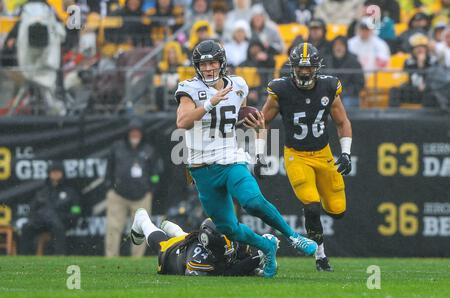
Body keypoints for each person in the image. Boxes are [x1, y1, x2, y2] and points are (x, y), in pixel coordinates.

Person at [174, 40, 318, 278]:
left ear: (222, 63)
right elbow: (183, 122)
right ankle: (266, 246)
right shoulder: (189, 88)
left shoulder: (239, 85)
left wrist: (259, 140)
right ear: (197, 66)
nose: (208, 68)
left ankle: (294, 237)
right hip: (201, 168)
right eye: (204, 64)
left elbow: (250, 121)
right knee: (228, 228)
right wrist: (211, 102)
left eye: (213, 62)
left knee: (251, 201)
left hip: (231, 158)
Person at [256, 42, 353, 272]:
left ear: (317, 67)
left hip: (323, 153)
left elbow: (342, 122)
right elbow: (263, 121)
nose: (305, 72)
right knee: (311, 207)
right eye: (300, 67)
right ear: (293, 67)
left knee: (338, 211)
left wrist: (346, 152)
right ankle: (320, 256)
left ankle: (317, 237)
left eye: (309, 68)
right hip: (296, 155)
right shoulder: (281, 89)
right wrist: (259, 154)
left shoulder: (329, 86)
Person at [130, 210, 274, 276]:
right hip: (174, 253)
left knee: (185, 236)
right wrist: (260, 256)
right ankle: (142, 218)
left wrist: (253, 264)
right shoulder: (197, 256)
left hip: (190, 240)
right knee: (163, 245)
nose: (232, 245)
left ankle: (174, 229)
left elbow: (237, 260)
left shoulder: (227, 240)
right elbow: (225, 272)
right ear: (209, 244)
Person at [104, 117, 161, 257]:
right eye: (132, 132)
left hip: (141, 197)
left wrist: (150, 189)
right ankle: (110, 258)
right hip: (118, 195)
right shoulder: (117, 147)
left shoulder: (148, 150)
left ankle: (137, 260)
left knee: (140, 230)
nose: (135, 135)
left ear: (142, 134)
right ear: (128, 133)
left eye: (138, 132)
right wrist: (110, 187)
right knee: (113, 227)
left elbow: (155, 173)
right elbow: (109, 169)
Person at [21, 161, 81, 255]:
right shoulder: (42, 192)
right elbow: (32, 209)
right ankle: (24, 256)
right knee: (26, 227)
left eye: (58, 172)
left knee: (57, 225)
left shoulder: (70, 192)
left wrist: (68, 218)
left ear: (63, 173)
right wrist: (34, 218)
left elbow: (76, 210)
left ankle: (59, 255)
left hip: (62, 221)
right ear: (49, 174)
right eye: (53, 172)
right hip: (43, 222)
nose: (55, 174)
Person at [323, 36, 365, 109]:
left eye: (341, 45)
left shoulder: (354, 62)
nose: (338, 48)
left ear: (346, 47)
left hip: (348, 95)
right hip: (329, 94)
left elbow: (360, 83)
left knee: (346, 102)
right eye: (336, 45)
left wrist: (345, 91)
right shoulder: (326, 61)